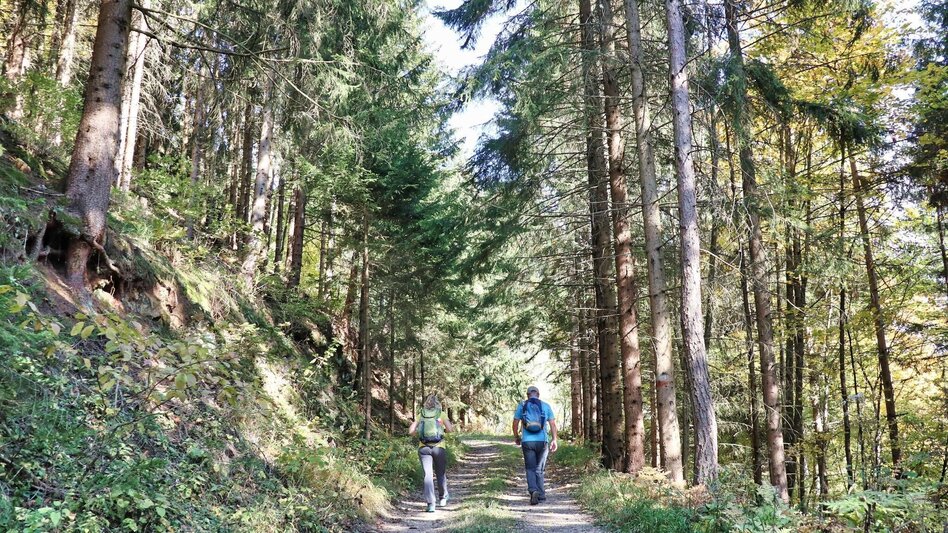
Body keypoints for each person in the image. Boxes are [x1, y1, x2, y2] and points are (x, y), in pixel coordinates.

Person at [512, 385, 558, 505]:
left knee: (530, 468)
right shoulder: (545, 406)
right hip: (542, 441)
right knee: (540, 469)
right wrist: (554, 440)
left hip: (527, 441)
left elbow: (515, 422)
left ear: (527, 395)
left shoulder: (522, 406)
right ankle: (541, 494)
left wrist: (516, 437)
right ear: (538, 394)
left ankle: (533, 491)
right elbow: (552, 424)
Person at [409, 393, 454, 512]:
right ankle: (443, 498)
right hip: (439, 447)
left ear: (426, 403)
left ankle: (431, 504)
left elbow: (411, 431)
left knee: (427, 475)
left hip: (424, 448)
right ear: (437, 403)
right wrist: (442, 430)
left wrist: (417, 434)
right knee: (440, 473)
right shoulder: (441, 414)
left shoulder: (421, 414)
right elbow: (450, 429)